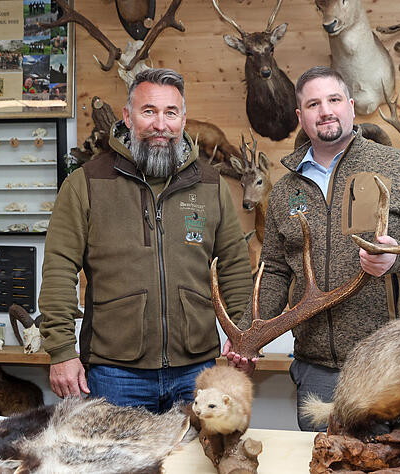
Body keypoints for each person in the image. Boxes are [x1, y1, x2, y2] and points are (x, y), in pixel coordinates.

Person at [224, 66, 400, 430]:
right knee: (324, 457)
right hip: (316, 369)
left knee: (392, 458)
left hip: (389, 364)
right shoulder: (286, 190)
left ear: (350, 106)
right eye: (313, 104)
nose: (325, 111)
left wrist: (397, 258)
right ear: (300, 116)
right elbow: (274, 271)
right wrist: (245, 336)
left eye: (334, 100)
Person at [39, 68, 253, 413]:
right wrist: (62, 350)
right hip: (115, 372)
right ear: (128, 117)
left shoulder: (210, 185)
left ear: (183, 120)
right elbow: (59, 269)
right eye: (149, 111)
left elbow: (234, 266)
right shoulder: (86, 183)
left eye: (171, 113)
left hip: (197, 369)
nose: (160, 125)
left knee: (195, 450)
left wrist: (244, 337)